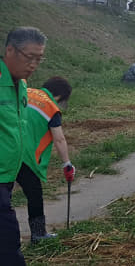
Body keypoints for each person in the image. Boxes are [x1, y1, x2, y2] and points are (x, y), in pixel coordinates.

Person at [1, 26, 47, 265]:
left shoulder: (21, 85)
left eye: (39, 59)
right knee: (9, 247)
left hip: (10, 173)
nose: (34, 64)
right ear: (10, 50)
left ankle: (39, 232)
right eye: (30, 57)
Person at [16, 77, 75, 243]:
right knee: (34, 193)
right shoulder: (51, 107)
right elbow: (59, 139)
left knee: (4, 192)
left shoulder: (24, 91)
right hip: (24, 155)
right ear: (60, 96)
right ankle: (38, 234)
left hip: (5, 147)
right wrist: (67, 163)